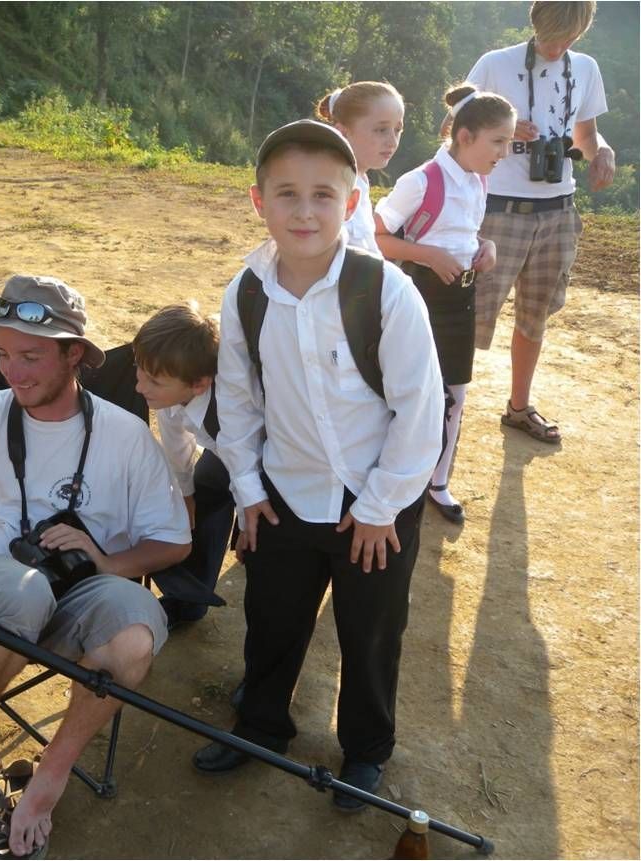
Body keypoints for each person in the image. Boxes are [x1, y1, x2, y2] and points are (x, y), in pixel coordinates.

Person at [0, 274, 190, 858]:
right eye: (2, 354)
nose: (13, 372)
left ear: (75, 354)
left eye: (30, 355)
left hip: (78, 590)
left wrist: (105, 560)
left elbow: (173, 544)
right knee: (22, 592)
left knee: (135, 633)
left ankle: (49, 778)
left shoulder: (125, 436)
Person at [191, 120, 444, 813]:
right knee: (271, 620)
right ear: (258, 201)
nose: (305, 212)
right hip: (284, 496)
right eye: (288, 194)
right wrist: (246, 487)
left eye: (323, 195)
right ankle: (260, 725)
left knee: (369, 634)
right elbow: (238, 400)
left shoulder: (386, 293)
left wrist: (377, 505)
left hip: (374, 505)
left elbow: (419, 414)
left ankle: (365, 752)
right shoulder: (245, 291)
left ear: (354, 201)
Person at [466, 0, 615, 444]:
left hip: (558, 212)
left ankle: (518, 407)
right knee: (471, 315)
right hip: (498, 209)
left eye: (569, 39)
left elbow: (584, 135)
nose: (558, 47)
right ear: (534, 24)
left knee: (536, 316)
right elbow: (451, 129)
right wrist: (505, 131)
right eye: (552, 38)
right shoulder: (495, 65)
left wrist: (601, 152)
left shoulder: (585, 68)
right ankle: (441, 404)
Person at [374, 84, 517, 523]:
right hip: (417, 296)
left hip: (461, 298)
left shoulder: (479, 180)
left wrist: (486, 245)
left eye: (508, 143)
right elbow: (376, 238)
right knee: (403, 390)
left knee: (455, 392)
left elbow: (463, 234)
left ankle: (437, 481)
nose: (504, 153)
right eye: (498, 141)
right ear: (465, 136)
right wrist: (427, 255)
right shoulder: (420, 182)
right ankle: (388, 477)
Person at [132, 302, 231, 627]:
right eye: (139, 371)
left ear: (199, 384)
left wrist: (249, 515)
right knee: (202, 492)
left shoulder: (235, 405)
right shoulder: (170, 391)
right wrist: (185, 495)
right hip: (222, 451)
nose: (139, 387)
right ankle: (190, 600)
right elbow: (175, 441)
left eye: (154, 382)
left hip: (270, 456)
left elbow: (258, 461)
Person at [315, 81, 406, 255]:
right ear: (342, 133)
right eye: (381, 130)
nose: (392, 141)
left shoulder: (360, 180)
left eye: (397, 130)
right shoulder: (329, 188)